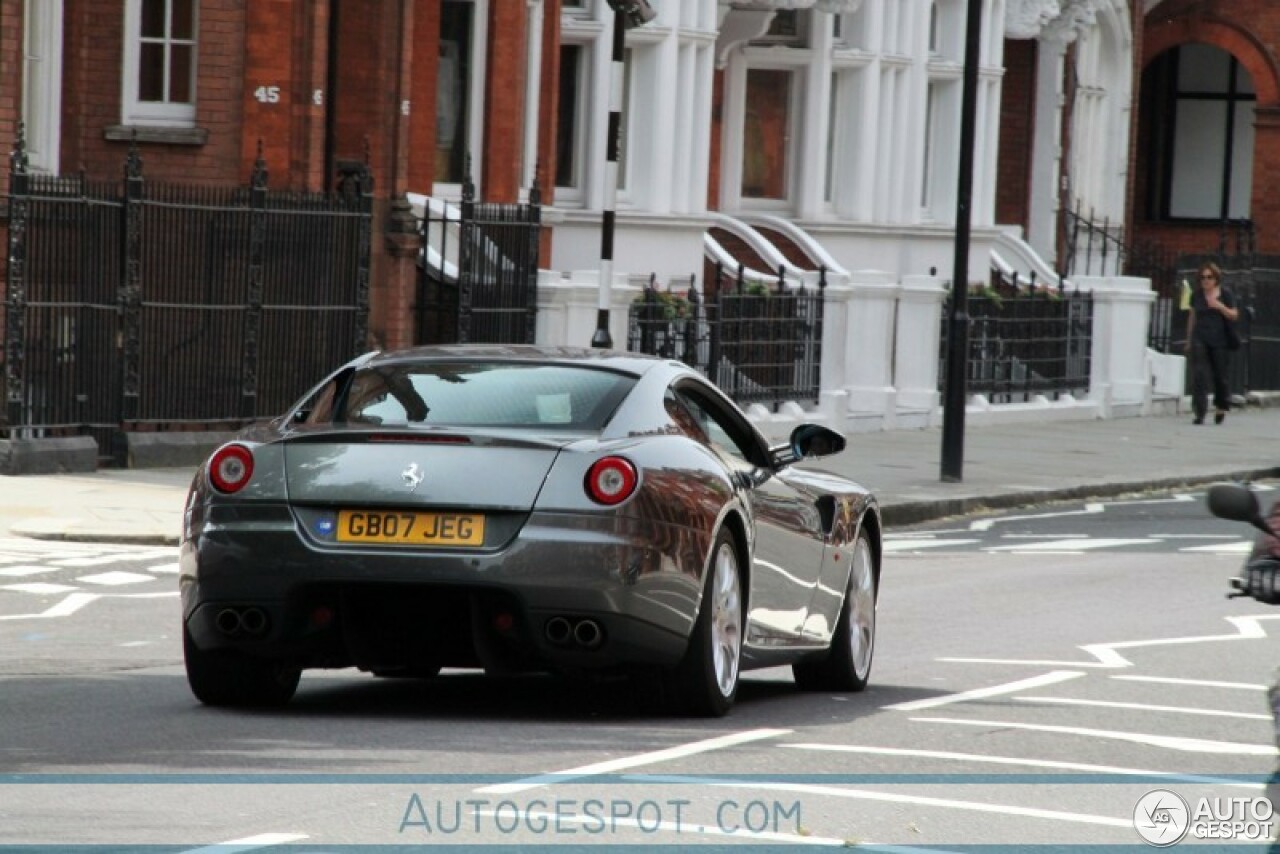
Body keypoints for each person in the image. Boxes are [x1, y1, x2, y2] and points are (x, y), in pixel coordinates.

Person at [1184, 262, 1240, 425]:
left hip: (1219, 339)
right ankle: (1199, 411)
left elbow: (1234, 315)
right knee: (1199, 374)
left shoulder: (1225, 294)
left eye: (1209, 277)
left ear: (1216, 279)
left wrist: (1220, 306)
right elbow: (1192, 317)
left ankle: (1221, 405)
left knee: (1220, 375)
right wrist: (1189, 339)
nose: (1206, 281)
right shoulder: (1197, 295)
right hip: (1200, 337)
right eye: (1202, 278)